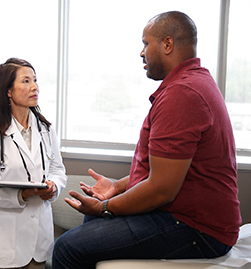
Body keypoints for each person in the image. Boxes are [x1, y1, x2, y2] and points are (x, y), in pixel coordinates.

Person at [51, 11, 241, 269]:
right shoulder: (195, 81)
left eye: (145, 43)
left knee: (67, 247)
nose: (141, 52)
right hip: (190, 217)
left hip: (198, 229)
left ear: (167, 44)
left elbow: (162, 188)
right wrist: (117, 188)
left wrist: (106, 206)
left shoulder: (182, 94)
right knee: (92, 221)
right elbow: (168, 168)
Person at [0, 58, 67, 269]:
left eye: (35, 80)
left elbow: (58, 170)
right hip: (5, 242)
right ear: (8, 90)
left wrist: (53, 187)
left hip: (38, 241)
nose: (35, 87)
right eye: (25, 81)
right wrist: (21, 194)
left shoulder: (46, 129)